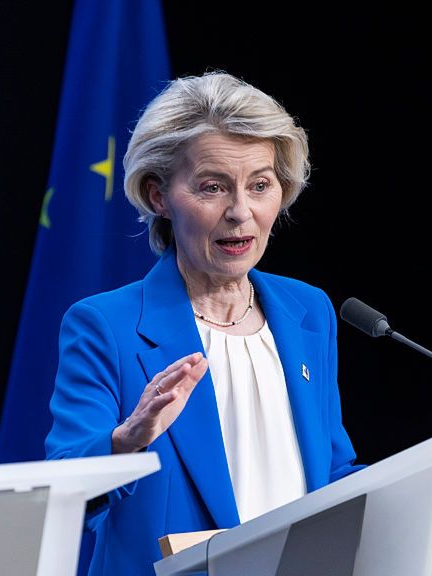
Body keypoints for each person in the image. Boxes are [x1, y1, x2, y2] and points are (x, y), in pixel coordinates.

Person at [45, 71, 363, 576]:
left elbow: (331, 469)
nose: (240, 212)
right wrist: (127, 441)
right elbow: (63, 493)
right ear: (158, 195)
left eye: (260, 185)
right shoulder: (105, 326)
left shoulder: (308, 311)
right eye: (213, 187)